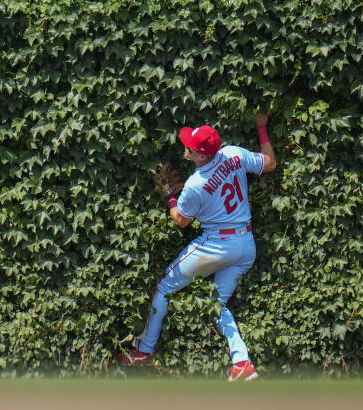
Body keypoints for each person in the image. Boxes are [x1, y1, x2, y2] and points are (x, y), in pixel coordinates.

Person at [115, 112, 276, 381]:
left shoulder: (195, 185)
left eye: (190, 146)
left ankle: (143, 351)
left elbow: (181, 221)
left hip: (218, 244)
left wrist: (168, 193)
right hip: (246, 244)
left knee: (164, 286)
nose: (186, 147)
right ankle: (242, 363)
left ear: (200, 155)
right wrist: (261, 126)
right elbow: (269, 163)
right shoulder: (233, 154)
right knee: (216, 305)